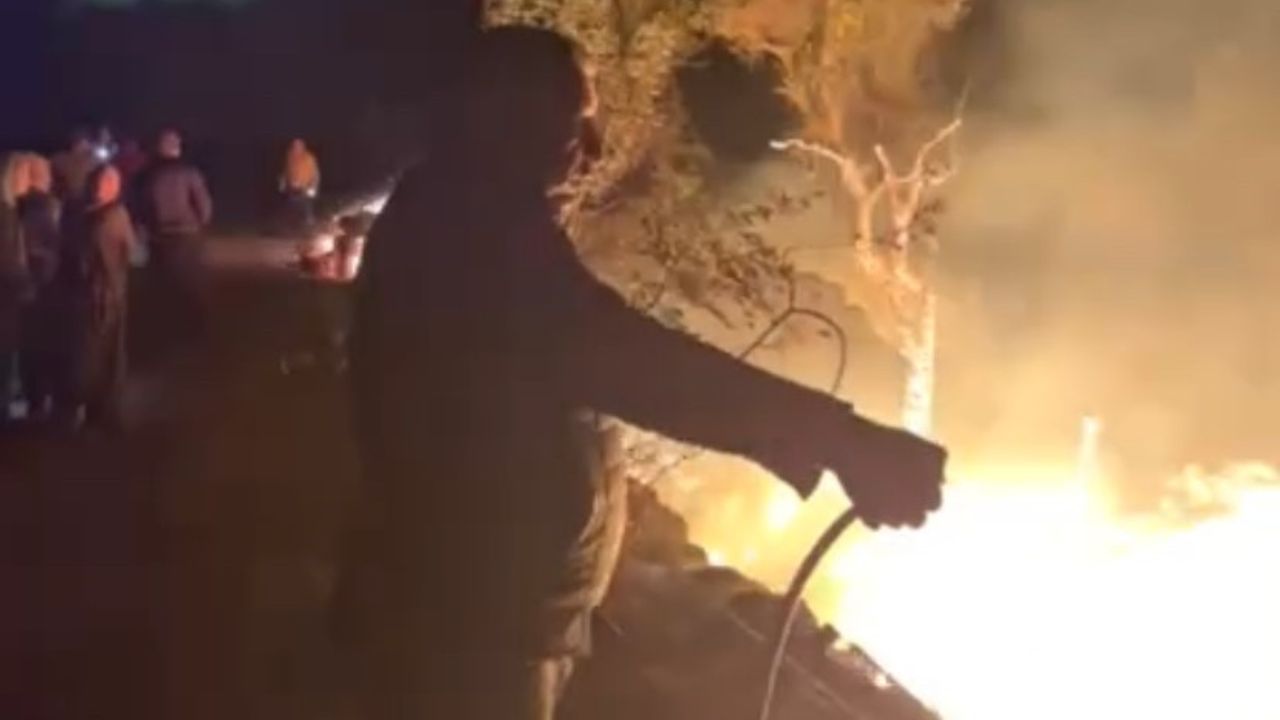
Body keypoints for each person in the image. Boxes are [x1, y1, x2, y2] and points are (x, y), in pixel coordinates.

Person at [336, 27, 947, 720]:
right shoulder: (475, 236)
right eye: (577, 120)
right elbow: (637, 365)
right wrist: (842, 440)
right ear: (506, 116)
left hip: (474, 605)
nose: (594, 148)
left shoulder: (462, 213)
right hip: (471, 627)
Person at [54, 164, 135, 431]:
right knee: (100, 353)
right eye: (100, 182)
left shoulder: (93, 217)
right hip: (102, 294)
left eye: (108, 182)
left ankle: (90, 406)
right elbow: (131, 254)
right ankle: (100, 408)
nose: (102, 187)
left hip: (94, 295)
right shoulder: (105, 215)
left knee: (91, 352)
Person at [136, 129, 212, 334]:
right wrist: (199, 225)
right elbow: (204, 205)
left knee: (162, 284)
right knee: (191, 283)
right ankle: (193, 326)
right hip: (187, 235)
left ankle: (163, 326)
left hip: (159, 235)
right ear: (178, 149)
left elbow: (139, 206)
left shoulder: (147, 175)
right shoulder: (189, 173)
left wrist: (145, 228)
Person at [16, 154, 63, 419]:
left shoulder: (17, 206)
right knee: (43, 343)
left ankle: (33, 395)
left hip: (24, 285)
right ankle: (41, 398)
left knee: (27, 345)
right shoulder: (45, 207)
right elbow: (51, 245)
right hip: (42, 284)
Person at [0, 154, 31, 419]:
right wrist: (25, 284)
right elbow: (8, 260)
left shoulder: (10, 212)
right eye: (24, 176)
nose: (28, 182)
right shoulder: (6, 215)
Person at [279, 138, 321, 235]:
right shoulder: (289, 156)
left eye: (299, 146)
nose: (297, 148)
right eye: (295, 146)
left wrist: (313, 187)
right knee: (292, 207)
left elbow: (315, 174)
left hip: (305, 187)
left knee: (307, 208)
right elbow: (285, 171)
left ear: (303, 147)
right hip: (292, 187)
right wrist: (282, 183)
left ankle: (309, 230)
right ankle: (293, 230)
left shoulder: (309, 158)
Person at [51, 128, 100, 204]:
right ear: (80, 142)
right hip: (81, 202)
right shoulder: (92, 160)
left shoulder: (57, 158)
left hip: (63, 202)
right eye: (88, 141)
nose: (90, 145)